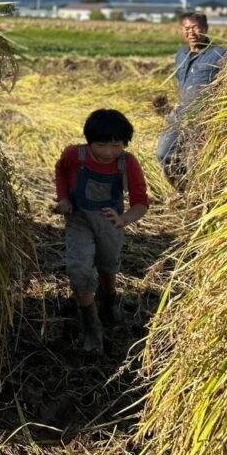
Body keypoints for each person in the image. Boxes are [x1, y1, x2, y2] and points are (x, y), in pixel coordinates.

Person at [54, 109, 149, 354]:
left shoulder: (127, 163)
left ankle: (109, 302)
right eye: (101, 145)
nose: (108, 152)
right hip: (79, 220)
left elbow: (140, 202)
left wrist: (123, 219)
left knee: (108, 266)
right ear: (89, 141)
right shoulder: (75, 155)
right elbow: (61, 170)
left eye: (116, 145)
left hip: (110, 223)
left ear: (124, 144)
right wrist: (63, 199)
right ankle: (91, 327)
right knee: (80, 269)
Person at [156, 12, 227, 184]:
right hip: (181, 112)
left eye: (196, 28)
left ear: (206, 29)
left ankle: (196, 197)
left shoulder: (221, 53)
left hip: (205, 115)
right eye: (187, 29)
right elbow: (182, 83)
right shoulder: (181, 55)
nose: (191, 33)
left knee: (194, 159)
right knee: (163, 153)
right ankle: (183, 190)